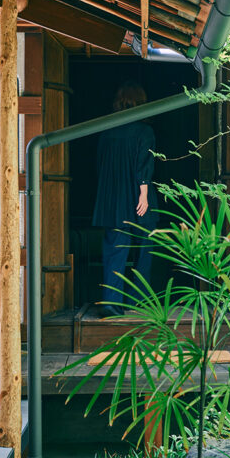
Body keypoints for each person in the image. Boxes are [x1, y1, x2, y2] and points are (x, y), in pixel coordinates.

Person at [92, 82, 158, 315]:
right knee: (145, 248)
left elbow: (100, 164)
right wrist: (143, 193)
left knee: (115, 249)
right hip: (139, 199)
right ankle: (139, 301)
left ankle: (111, 302)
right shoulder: (144, 131)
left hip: (113, 201)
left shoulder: (107, 129)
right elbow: (144, 164)